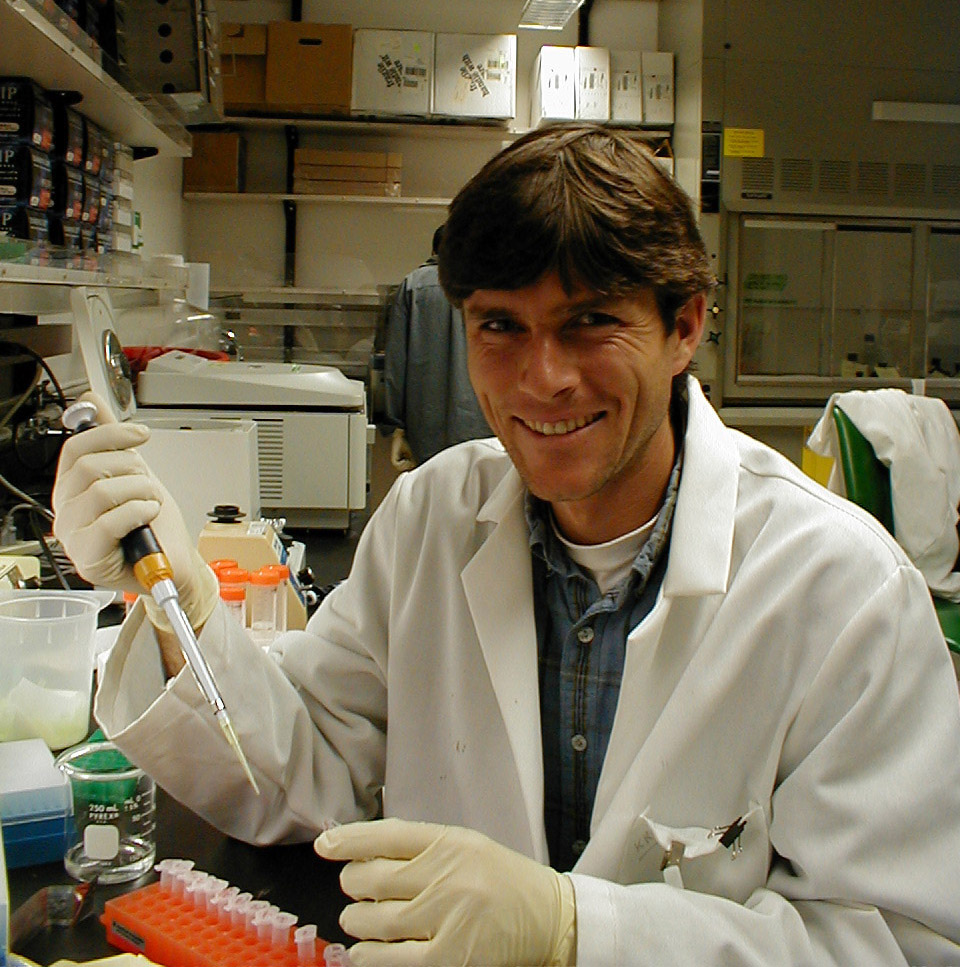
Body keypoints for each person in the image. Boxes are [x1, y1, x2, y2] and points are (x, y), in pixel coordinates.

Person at [52, 124, 960, 966]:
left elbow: (897, 943)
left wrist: (576, 929)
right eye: (500, 326)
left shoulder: (842, 588)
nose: (543, 378)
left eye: (589, 322)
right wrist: (183, 614)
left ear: (684, 325)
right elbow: (305, 776)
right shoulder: (429, 517)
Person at [382, 224, 490, 470]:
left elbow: (396, 362)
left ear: (434, 251)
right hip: (483, 424)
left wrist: (395, 426)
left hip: (425, 426)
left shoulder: (413, 285)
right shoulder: (490, 286)